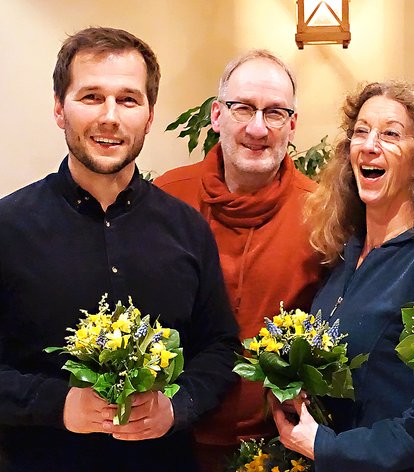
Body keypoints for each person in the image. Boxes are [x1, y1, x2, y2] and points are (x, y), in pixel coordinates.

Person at [0, 27, 240, 472]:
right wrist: (57, 405)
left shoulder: (187, 228)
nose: (110, 117)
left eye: (128, 100)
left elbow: (220, 347)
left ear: (149, 116)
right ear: (59, 108)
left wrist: (178, 405)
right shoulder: (7, 227)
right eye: (91, 96)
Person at [269, 80, 414, 471]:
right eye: (361, 132)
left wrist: (328, 448)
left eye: (390, 134)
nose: (370, 145)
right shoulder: (345, 256)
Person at [154, 50, 324, 470]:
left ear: (293, 124)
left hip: (278, 443)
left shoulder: (322, 214)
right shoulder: (166, 199)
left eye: (275, 112)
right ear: (216, 115)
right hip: (171, 436)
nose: (257, 128)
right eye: (242, 108)